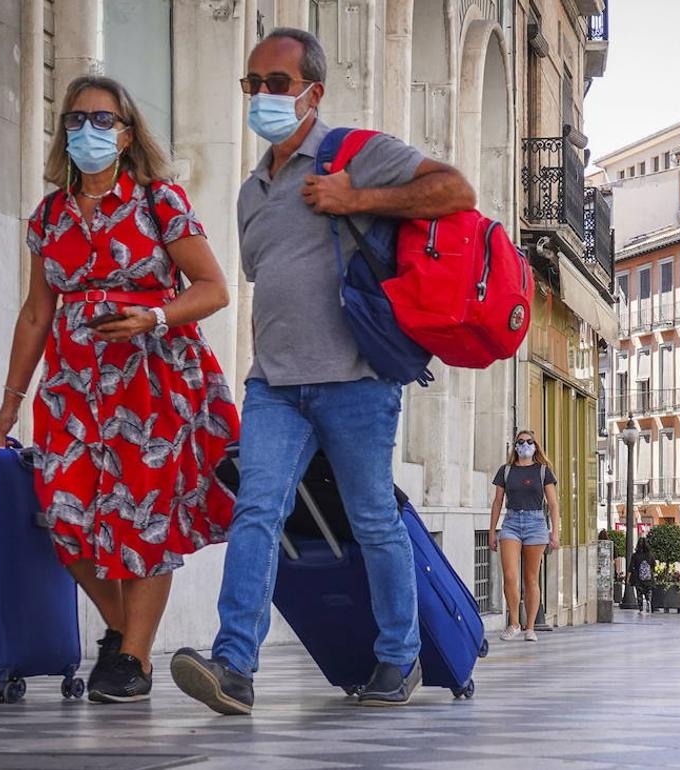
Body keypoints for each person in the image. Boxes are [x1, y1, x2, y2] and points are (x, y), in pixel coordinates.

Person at [169, 28, 475, 714]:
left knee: (372, 520)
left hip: (357, 379)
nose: (262, 97)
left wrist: (356, 200)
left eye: (277, 84)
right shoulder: (252, 191)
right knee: (256, 512)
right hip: (274, 385)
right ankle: (235, 668)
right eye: (253, 85)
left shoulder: (355, 156)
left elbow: (456, 189)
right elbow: (266, 281)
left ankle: (398, 660)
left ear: (313, 91)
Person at [0, 75, 239, 703]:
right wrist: (10, 402)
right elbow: (36, 314)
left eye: (101, 120)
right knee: (62, 518)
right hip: (72, 389)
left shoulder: (160, 201)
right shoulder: (48, 217)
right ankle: (124, 629)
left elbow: (212, 288)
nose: (86, 131)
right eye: (75, 120)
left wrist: (151, 316)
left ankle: (133, 659)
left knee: (143, 519)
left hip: (151, 381)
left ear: (126, 134)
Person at [488, 431, 560, 641]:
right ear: (515, 446)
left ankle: (530, 627)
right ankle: (514, 623)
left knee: (531, 578)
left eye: (529, 442)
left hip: (536, 524)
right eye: (521, 442)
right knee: (510, 575)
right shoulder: (506, 471)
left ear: (535, 446)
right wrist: (492, 531)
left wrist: (555, 532)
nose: (525, 445)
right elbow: (497, 502)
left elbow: (553, 504)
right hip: (511, 523)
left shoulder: (543, 471)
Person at [629, 538, 655, 612]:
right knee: (648, 591)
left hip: (638, 578)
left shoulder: (635, 555)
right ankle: (648, 601)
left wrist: (628, 578)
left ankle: (640, 608)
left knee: (639, 593)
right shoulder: (650, 555)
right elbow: (653, 565)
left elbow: (631, 567)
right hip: (649, 578)